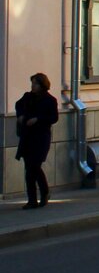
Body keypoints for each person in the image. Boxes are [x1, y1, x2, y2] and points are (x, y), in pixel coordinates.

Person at [15, 72, 59, 209]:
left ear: (42, 85)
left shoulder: (50, 100)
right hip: (27, 137)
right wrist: (21, 116)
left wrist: (38, 119)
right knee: (30, 168)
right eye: (32, 83)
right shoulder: (27, 97)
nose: (33, 86)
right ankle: (33, 199)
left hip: (41, 138)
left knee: (34, 166)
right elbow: (18, 105)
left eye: (35, 83)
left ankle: (43, 193)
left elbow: (53, 118)